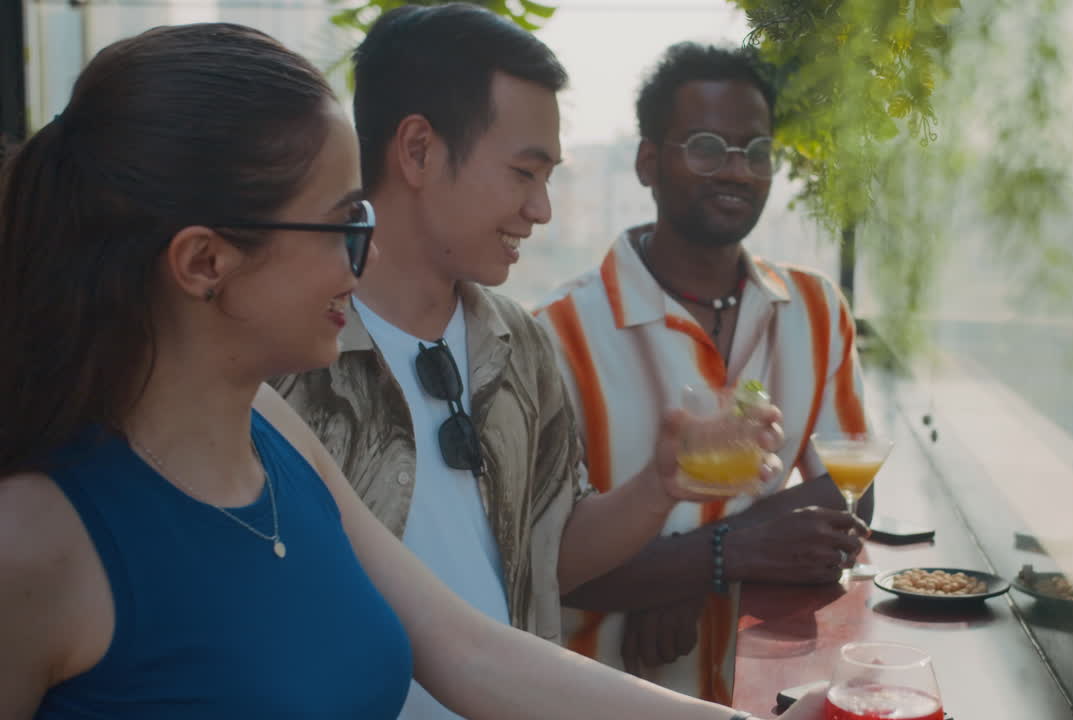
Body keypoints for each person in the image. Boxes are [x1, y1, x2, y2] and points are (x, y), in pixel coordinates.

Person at [0, 22, 825, 720]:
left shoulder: (269, 434)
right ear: (204, 261)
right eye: (340, 225)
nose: (356, 264)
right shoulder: (32, 542)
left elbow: (472, 650)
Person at [268, 8, 780, 716]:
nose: (540, 209)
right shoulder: (283, 353)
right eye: (522, 173)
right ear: (416, 151)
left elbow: (547, 556)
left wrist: (663, 483)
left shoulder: (519, 343)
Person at [535, 42, 875, 702]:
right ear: (647, 162)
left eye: (755, 151)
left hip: (758, 688)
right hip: (594, 698)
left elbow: (851, 493)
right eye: (707, 146)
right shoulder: (555, 332)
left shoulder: (817, 309)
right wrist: (722, 559)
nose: (737, 172)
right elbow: (545, 562)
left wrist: (693, 572)